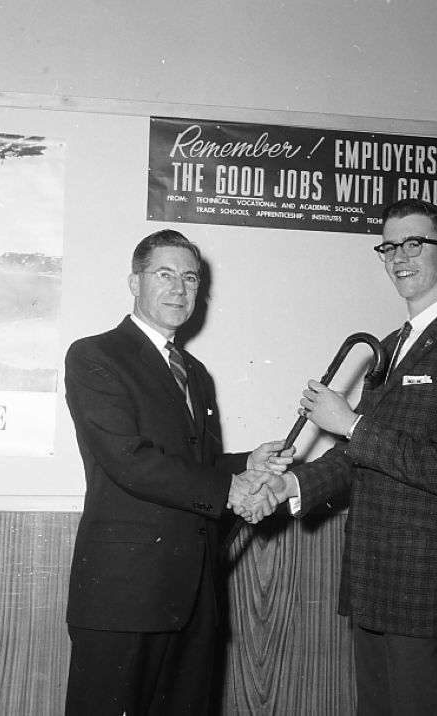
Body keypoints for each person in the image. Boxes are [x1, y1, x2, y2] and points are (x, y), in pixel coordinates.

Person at [251, 199, 437, 715]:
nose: (399, 256)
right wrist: (291, 486)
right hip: (372, 581)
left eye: (415, 243)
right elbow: (357, 457)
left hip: (423, 589)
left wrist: (349, 421)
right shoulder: (391, 346)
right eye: (389, 246)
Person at [63, 228, 292, 716]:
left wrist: (246, 463)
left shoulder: (195, 372)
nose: (179, 288)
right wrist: (231, 489)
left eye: (190, 278)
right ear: (134, 282)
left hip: (193, 595)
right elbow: (130, 459)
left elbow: (195, 469)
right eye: (164, 274)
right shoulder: (94, 356)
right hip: (122, 597)